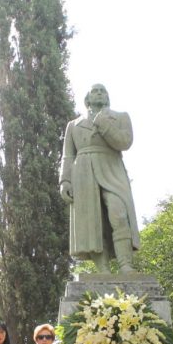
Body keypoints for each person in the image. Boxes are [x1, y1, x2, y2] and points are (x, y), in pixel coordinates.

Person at [59, 83, 140, 273]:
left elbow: (124, 142)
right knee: (92, 221)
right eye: (95, 91)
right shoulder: (73, 125)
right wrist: (64, 181)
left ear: (108, 97)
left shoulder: (120, 117)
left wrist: (103, 123)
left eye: (103, 91)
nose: (99, 93)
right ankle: (103, 269)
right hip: (84, 172)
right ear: (87, 98)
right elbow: (67, 155)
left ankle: (125, 265)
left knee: (119, 213)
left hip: (112, 168)